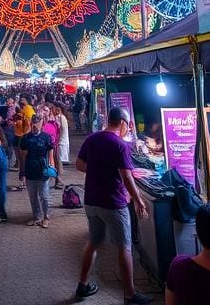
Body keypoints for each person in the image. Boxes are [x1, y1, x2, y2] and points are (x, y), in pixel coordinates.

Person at [74, 105, 151, 305]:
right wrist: (138, 199)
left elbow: (80, 165)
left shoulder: (92, 138)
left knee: (93, 242)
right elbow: (126, 176)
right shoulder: (120, 144)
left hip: (91, 201)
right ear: (123, 124)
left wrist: (98, 170)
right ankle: (131, 294)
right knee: (124, 246)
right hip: (114, 202)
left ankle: (82, 285)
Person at [19, 114, 55, 228]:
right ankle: (36, 216)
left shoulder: (46, 137)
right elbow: (23, 156)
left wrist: (52, 167)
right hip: (30, 170)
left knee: (44, 196)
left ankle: (46, 217)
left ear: (42, 124)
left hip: (43, 171)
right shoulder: (25, 138)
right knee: (32, 196)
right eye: (33, 123)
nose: (35, 125)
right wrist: (22, 172)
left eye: (37, 123)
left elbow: (51, 155)